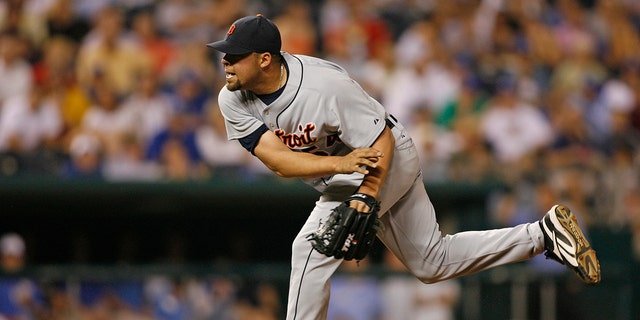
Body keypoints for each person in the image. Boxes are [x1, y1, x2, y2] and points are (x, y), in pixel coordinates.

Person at [205, 14, 601, 320]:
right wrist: (348, 171)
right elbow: (278, 160)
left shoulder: (324, 86)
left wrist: (368, 194)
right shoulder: (232, 98)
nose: (226, 61)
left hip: (384, 156)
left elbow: (380, 141)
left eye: (234, 55)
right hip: (347, 166)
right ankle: (543, 235)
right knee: (432, 263)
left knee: (308, 249)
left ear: (265, 59)